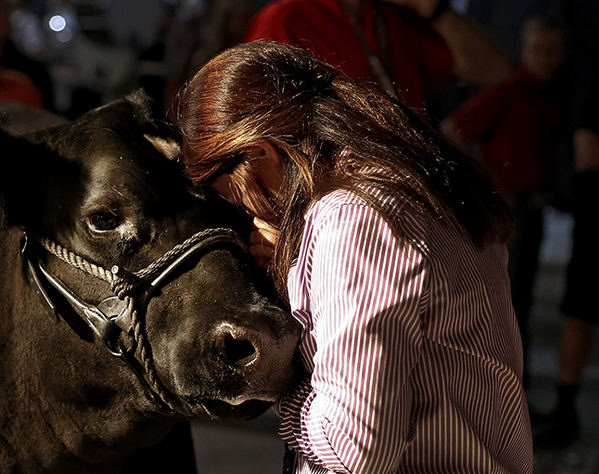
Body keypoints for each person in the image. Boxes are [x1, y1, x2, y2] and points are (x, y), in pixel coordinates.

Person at [177, 42, 532, 474]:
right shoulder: (413, 180)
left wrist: (279, 387)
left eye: (216, 182)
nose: (227, 200)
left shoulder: (350, 216)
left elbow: (358, 442)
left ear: (257, 152)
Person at [443, 16, 566, 387]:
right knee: (505, 303)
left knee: (519, 298)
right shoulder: (509, 89)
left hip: (533, 206)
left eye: (551, 52)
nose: (544, 59)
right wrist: (481, 185)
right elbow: (454, 129)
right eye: (537, 50)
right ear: (524, 51)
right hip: (508, 208)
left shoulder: (550, 96)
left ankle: (511, 388)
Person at [244, 0, 512, 115]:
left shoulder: (393, 17)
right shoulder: (284, 20)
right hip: (339, 209)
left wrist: (432, 8)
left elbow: (496, 72)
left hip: (412, 197)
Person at [533, 66, 599, 448]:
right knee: (580, 314)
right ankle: (565, 410)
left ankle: (565, 411)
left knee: (580, 314)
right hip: (594, 219)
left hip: (591, 214)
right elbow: (587, 159)